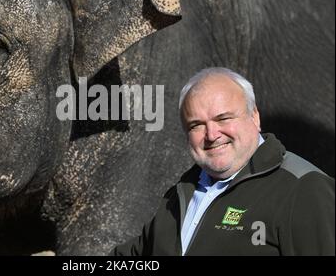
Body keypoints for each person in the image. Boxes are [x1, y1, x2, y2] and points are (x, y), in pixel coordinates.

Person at [111, 67, 335, 256]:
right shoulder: (179, 195)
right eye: (196, 125)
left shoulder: (303, 187)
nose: (211, 134)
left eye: (223, 118)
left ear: (254, 116)